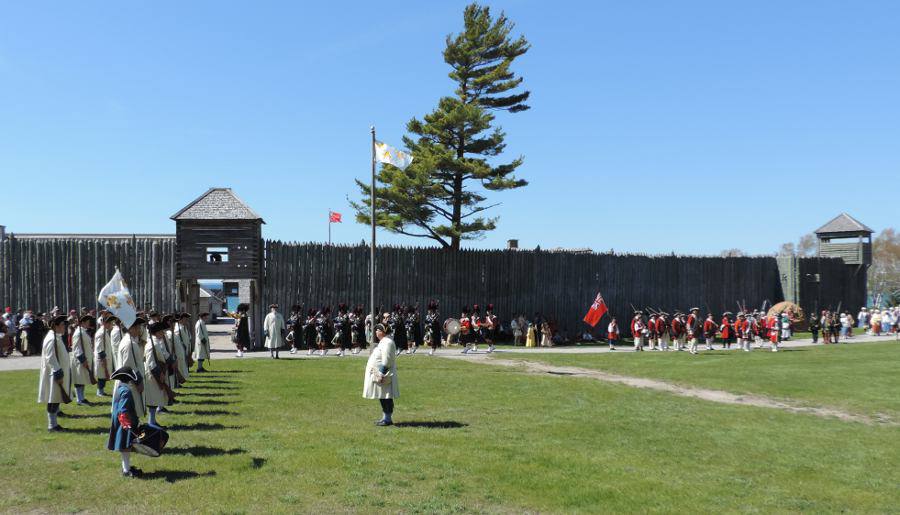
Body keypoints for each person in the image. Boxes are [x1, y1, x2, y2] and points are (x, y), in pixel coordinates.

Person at [106, 366, 144, 478]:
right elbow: (123, 410)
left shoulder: (120, 388)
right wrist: (127, 424)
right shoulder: (126, 391)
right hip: (124, 423)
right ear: (130, 379)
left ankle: (126, 468)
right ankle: (126, 470)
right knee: (126, 447)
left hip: (120, 422)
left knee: (125, 447)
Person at [38, 315, 71, 431]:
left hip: (57, 373)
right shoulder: (52, 339)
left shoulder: (55, 337)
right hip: (55, 374)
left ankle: (53, 424)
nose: (64, 327)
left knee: (55, 398)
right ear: (56, 326)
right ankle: (52, 425)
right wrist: (58, 373)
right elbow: (50, 358)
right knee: (54, 399)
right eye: (62, 325)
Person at [363, 323, 399, 426]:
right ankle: (385, 417)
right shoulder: (383, 342)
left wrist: (381, 373)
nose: (376, 332)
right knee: (382, 396)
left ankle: (387, 419)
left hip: (384, 374)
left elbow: (387, 359)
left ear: (382, 332)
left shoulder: (387, 342)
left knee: (386, 397)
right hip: (380, 374)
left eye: (377, 330)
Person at [116, 318, 147, 419]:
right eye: (136, 327)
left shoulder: (130, 341)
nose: (139, 330)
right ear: (130, 329)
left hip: (130, 383)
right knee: (131, 413)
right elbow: (129, 367)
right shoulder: (130, 344)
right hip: (130, 385)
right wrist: (139, 382)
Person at [145, 321, 174, 427]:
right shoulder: (151, 344)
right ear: (156, 332)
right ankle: (151, 422)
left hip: (159, 372)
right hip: (153, 375)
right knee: (153, 399)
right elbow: (150, 362)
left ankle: (152, 421)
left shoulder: (156, 342)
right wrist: (159, 374)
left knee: (156, 398)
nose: (163, 333)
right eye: (161, 331)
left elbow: (164, 354)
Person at [70, 315, 96, 405]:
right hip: (80, 360)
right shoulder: (78, 333)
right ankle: (79, 399)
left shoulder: (83, 332)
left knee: (83, 379)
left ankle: (82, 398)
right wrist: (82, 359)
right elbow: (77, 348)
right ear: (83, 323)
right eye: (87, 321)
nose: (89, 323)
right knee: (79, 380)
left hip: (85, 359)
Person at [94, 315, 117, 396]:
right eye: (109, 323)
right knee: (102, 375)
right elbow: (100, 350)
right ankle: (99, 391)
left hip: (105, 358)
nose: (111, 324)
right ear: (105, 323)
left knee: (103, 375)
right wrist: (103, 361)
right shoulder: (101, 333)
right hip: (102, 359)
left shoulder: (104, 332)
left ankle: (101, 390)